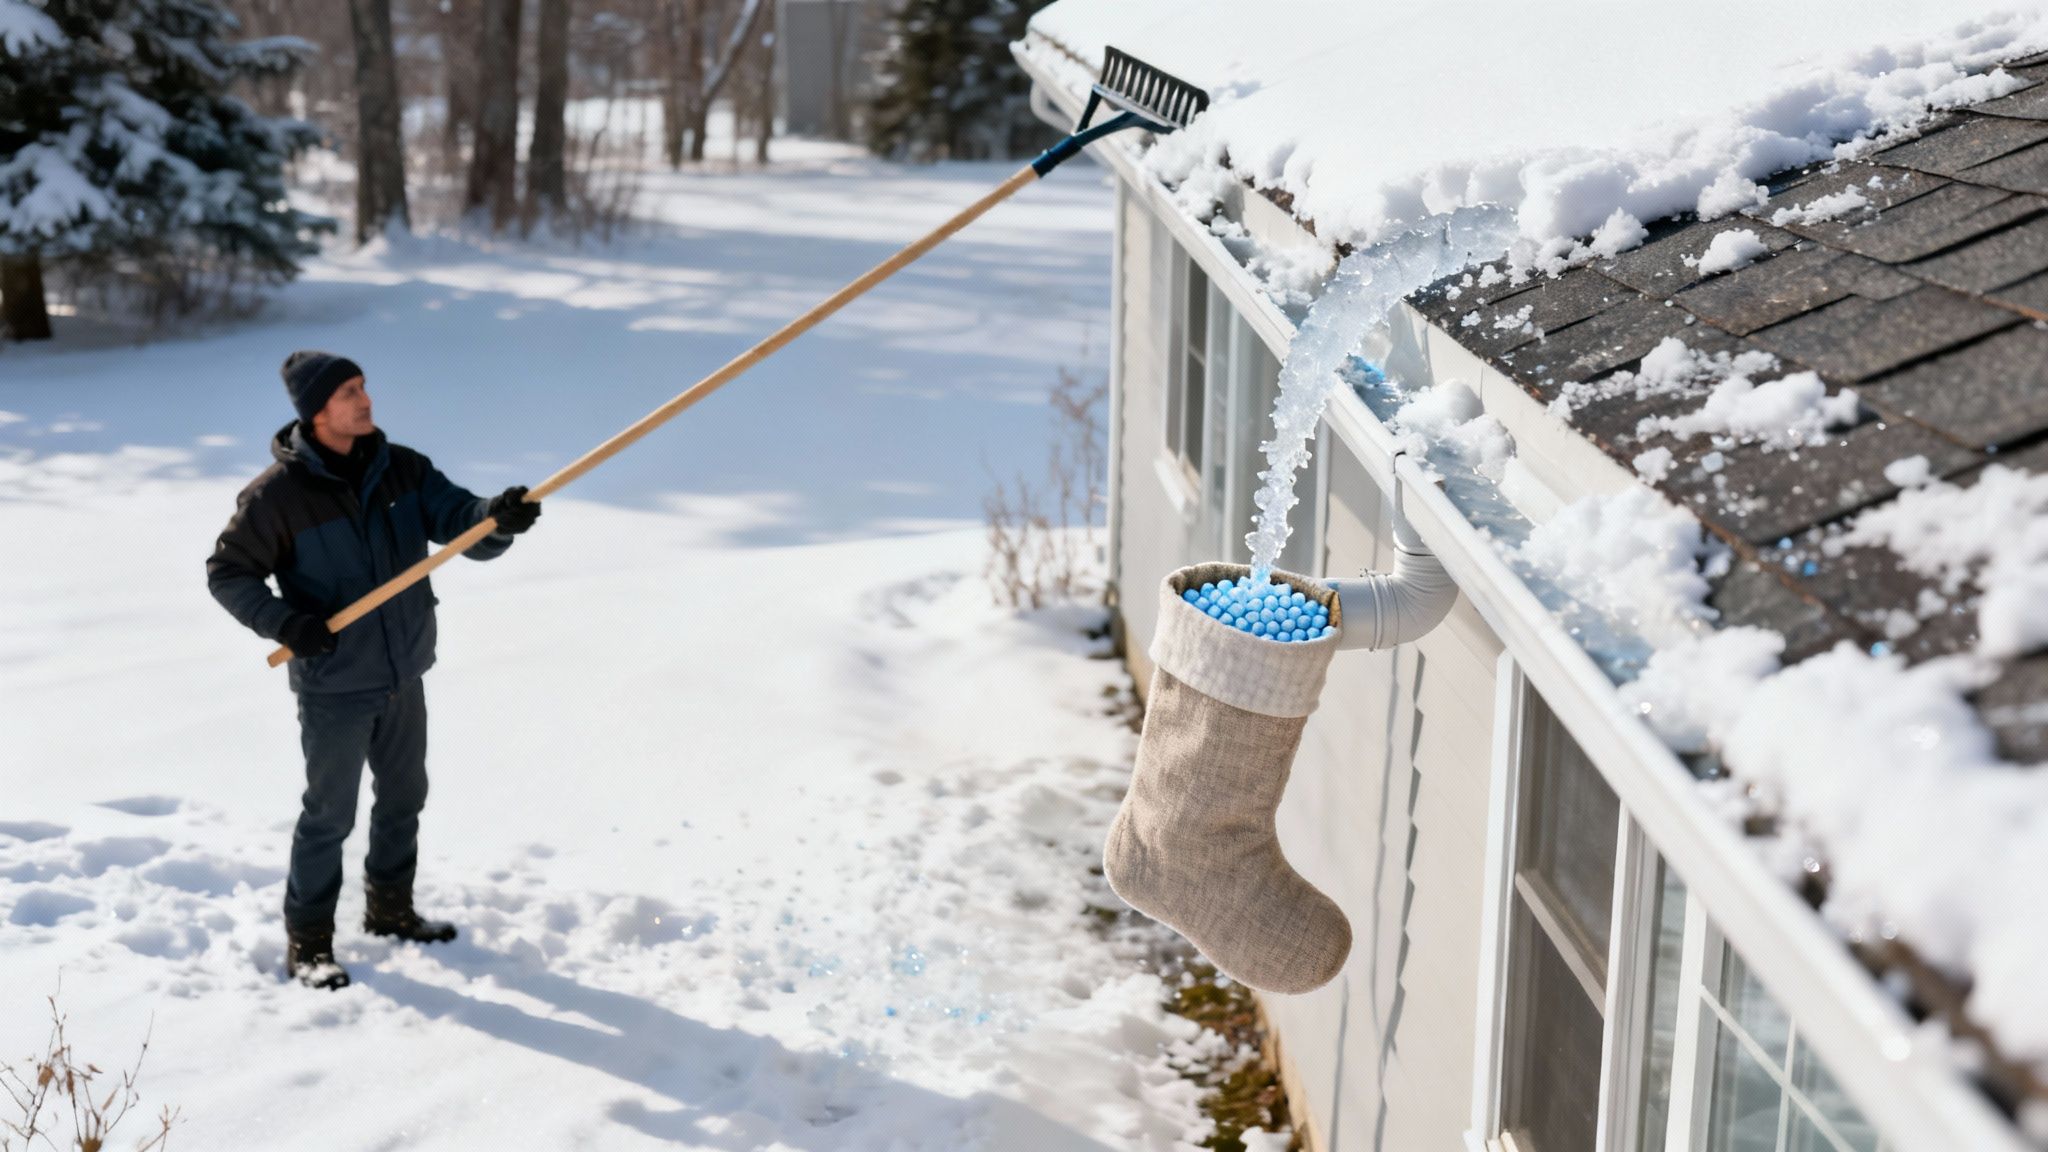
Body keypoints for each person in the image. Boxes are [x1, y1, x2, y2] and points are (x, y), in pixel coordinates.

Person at [206, 351, 542, 990]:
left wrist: (499, 520)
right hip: (335, 683)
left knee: (405, 796)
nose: (365, 400)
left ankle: (390, 909)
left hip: (403, 670)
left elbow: (463, 522)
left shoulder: (402, 470)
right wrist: (284, 623)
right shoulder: (276, 498)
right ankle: (308, 943)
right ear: (316, 410)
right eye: (349, 392)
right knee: (330, 815)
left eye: (364, 387)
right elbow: (227, 572)